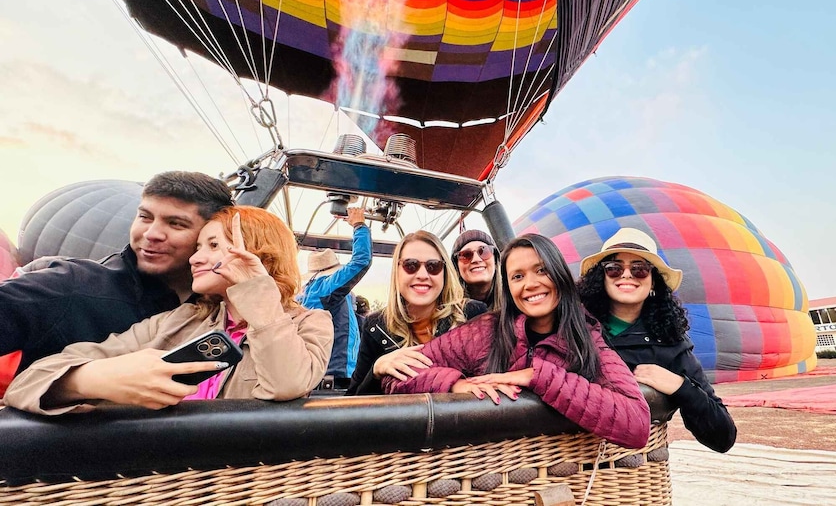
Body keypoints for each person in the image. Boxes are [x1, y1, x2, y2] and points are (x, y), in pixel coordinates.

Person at [3, 206, 334, 414]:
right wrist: (91, 379)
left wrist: (258, 297)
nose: (195, 258)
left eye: (213, 245)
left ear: (258, 251)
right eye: (197, 247)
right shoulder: (179, 321)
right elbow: (29, 381)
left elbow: (286, 384)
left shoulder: (310, 324)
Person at [384, 234, 651, 450]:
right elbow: (395, 381)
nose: (531, 284)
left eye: (541, 271)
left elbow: (637, 424)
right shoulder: (485, 331)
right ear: (509, 287)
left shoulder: (587, 339)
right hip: (486, 479)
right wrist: (454, 384)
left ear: (560, 275)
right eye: (518, 276)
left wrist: (539, 376)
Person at [0, 171, 233, 373]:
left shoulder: (224, 307)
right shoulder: (71, 285)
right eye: (145, 217)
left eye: (176, 224)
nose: (152, 233)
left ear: (210, 233)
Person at [577, 228, 736, 453]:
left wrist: (680, 387)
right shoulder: (573, 327)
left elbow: (723, 437)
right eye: (614, 268)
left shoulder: (671, 345)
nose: (626, 275)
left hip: (632, 470)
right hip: (562, 461)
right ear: (601, 278)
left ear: (653, 283)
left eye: (639, 269)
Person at [347, 231, 486, 395]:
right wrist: (376, 370)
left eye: (433, 266)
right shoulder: (376, 326)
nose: (422, 275)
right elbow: (353, 400)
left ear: (445, 273)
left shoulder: (472, 314)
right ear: (397, 271)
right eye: (410, 265)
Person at [298, 207, 372, 381]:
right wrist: (359, 225)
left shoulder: (303, 294)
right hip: (336, 374)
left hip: (317, 373)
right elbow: (361, 261)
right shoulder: (324, 289)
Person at [451, 229, 503, 312]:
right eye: (466, 255)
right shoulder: (447, 315)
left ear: (495, 260)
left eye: (484, 251)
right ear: (456, 267)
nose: (476, 259)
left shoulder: (515, 300)